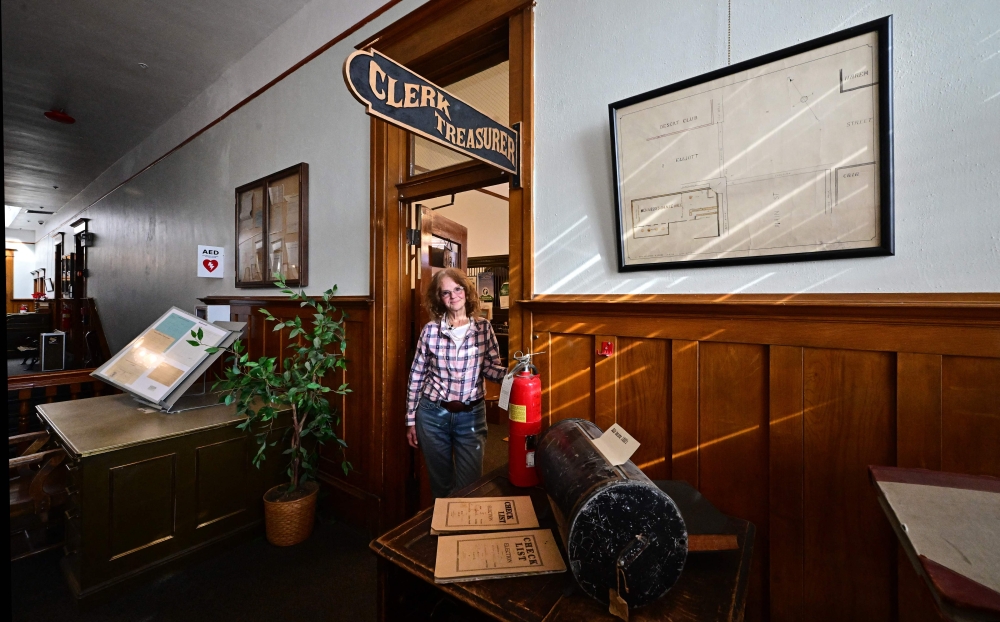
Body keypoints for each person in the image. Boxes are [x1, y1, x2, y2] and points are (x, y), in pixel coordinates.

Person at [405, 267, 506, 498]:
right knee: (440, 486)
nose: (453, 296)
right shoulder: (430, 331)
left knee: (470, 487)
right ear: (439, 298)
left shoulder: (483, 328)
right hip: (432, 415)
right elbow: (416, 375)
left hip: (471, 416)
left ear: (466, 291)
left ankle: (463, 531)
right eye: (446, 293)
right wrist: (411, 420)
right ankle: (444, 532)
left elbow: (490, 368)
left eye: (457, 289)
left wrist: (515, 374)